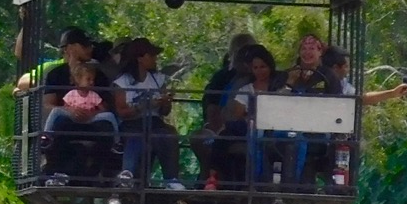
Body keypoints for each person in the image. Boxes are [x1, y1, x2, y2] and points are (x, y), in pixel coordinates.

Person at [190, 32, 256, 183]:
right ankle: (207, 181)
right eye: (240, 53)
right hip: (221, 128)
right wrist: (216, 126)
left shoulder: (262, 79)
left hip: (248, 131)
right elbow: (211, 105)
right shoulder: (223, 77)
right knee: (202, 140)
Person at [113, 37, 179, 186]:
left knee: (168, 134)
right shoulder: (122, 82)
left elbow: (165, 112)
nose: (155, 59)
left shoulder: (159, 79)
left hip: (155, 122)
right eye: (152, 55)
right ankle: (127, 173)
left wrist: (165, 102)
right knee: (136, 137)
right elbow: (121, 111)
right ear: (140, 58)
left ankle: (171, 178)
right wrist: (145, 105)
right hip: (132, 123)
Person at [41, 60, 120, 183]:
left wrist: (93, 112)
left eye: (92, 79)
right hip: (73, 117)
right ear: (78, 80)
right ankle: (47, 136)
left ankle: (117, 141)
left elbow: (102, 109)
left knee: (109, 116)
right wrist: (72, 111)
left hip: (91, 119)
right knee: (57, 112)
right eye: (88, 79)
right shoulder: (71, 94)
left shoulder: (93, 95)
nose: (91, 82)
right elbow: (66, 106)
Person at [218, 44, 281, 184]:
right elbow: (238, 112)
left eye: (263, 67)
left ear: (270, 66)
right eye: (256, 68)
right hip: (251, 127)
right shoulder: (246, 88)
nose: (260, 71)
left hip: (275, 128)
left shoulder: (279, 87)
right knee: (228, 136)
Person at [321, 48, 407, 106]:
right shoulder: (319, 82)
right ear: (336, 68)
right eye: (346, 66)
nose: (348, 70)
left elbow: (361, 98)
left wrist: (392, 93)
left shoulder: (342, 83)